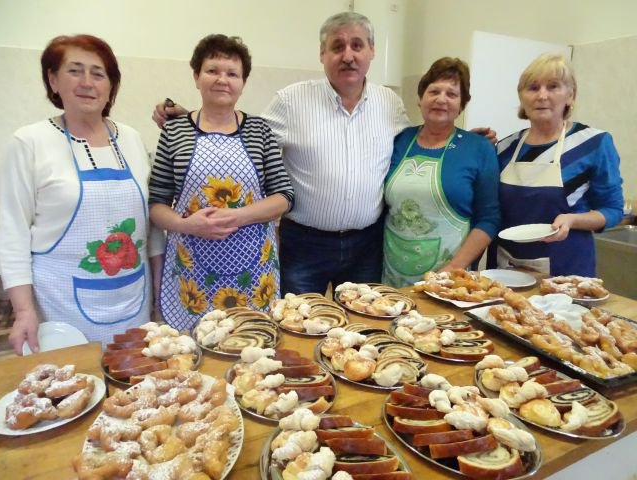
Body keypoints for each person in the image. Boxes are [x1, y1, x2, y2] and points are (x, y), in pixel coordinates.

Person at [152, 12, 496, 295]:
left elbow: (417, 140)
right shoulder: (292, 100)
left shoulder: (389, 103)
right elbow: (244, 135)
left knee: (363, 329)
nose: (348, 55)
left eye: (357, 45)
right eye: (337, 46)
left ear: (372, 52)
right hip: (305, 244)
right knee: (300, 330)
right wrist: (191, 121)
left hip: (367, 245)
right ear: (322, 54)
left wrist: (465, 141)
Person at [0, 34, 164, 354]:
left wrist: (160, 291)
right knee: (71, 381)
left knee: (134, 376)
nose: (87, 82)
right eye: (74, 71)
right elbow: (12, 231)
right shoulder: (30, 142)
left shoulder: (130, 138)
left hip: (134, 301)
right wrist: (23, 311)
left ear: (111, 86)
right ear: (53, 80)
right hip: (60, 305)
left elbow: (151, 225)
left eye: (98, 74)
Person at [148, 34, 294, 330]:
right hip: (192, 274)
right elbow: (156, 204)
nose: (222, 80)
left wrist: (238, 216)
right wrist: (187, 225)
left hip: (254, 271)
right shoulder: (175, 131)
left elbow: (284, 196)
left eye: (232, 73)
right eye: (212, 70)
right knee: (194, 346)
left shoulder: (259, 130)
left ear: (243, 82)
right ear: (196, 76)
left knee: (251, 341)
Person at [488, 54, 624, 276]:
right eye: (533, 88)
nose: (542, 96)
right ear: (522, 97)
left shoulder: (593, 144)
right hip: (505, 266)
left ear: (570, 95)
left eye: (553, 87)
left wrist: (573, 220)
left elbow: (612, 211)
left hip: (567, 267)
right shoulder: (504, 148)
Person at [383, 58, 500, 287]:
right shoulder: (399, 140)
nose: (441, 99)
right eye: (434, 91)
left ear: (462, 105)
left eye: (452, 94)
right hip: (391, 273)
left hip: (449, 279)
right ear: (421, 98)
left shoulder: (479, 148)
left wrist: (453, 268)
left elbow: (489, 219)